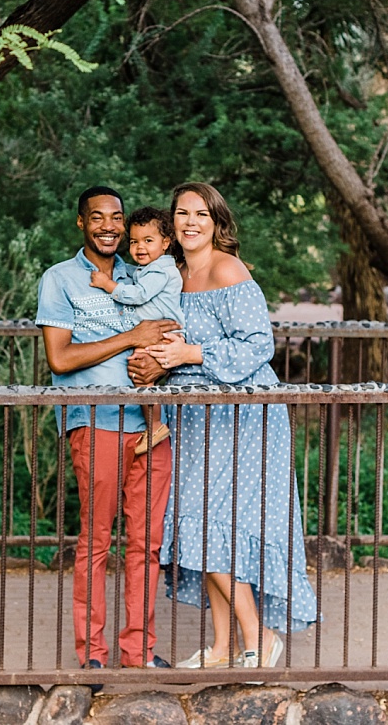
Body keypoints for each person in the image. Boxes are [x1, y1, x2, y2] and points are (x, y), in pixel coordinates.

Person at [128, 181, 317, 668]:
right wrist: (154, 362)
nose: (190, 222)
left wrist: (191, 353)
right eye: (182, 214)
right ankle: (220, 648)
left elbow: (258, 344)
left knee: (215, 527)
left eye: (201, 215)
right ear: (171, 225)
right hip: (191, 416)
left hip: (241, 415)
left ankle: (259, 642)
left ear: (216, 223)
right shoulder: (169, 275)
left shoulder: (227, 269)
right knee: (199, 525)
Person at [36, 187, 180, 672]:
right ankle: (92, 655)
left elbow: (169, 337)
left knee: (147, 544)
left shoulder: (147, 272)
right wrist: (131, 338)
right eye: (96, 217)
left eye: (115, 217)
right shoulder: (60, 280)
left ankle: (138, 652)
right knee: (97, 540)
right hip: (96, 422)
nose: (108, 226)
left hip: (151, 426)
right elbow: (60, 358)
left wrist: (157, 363)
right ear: (81, 223)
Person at [91, 206, 184, 454]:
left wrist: (107, 284)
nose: (139, 247)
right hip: (157, 332)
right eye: (134, 241)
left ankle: (155, 425)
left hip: (162, 333)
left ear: (165, 243)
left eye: (148, 241)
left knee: (142, 372)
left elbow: (138, 293)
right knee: (142, 374)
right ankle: (154, 424)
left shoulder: (159, 270)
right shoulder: (152, 269)